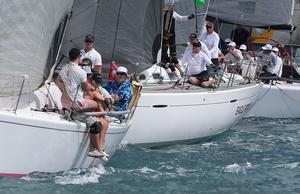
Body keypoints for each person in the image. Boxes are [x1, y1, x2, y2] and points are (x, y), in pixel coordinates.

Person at [55, 48, 108, 160]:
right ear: (78, 57)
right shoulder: (81, 72)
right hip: (76, 104)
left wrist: (64, 88)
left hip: (64, 101)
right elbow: (85, 87)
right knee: (95, 119)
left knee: (91, 104)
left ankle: (98, 149)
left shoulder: (64, 68)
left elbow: (57, 81)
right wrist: (92, 87)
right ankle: (94, 150)